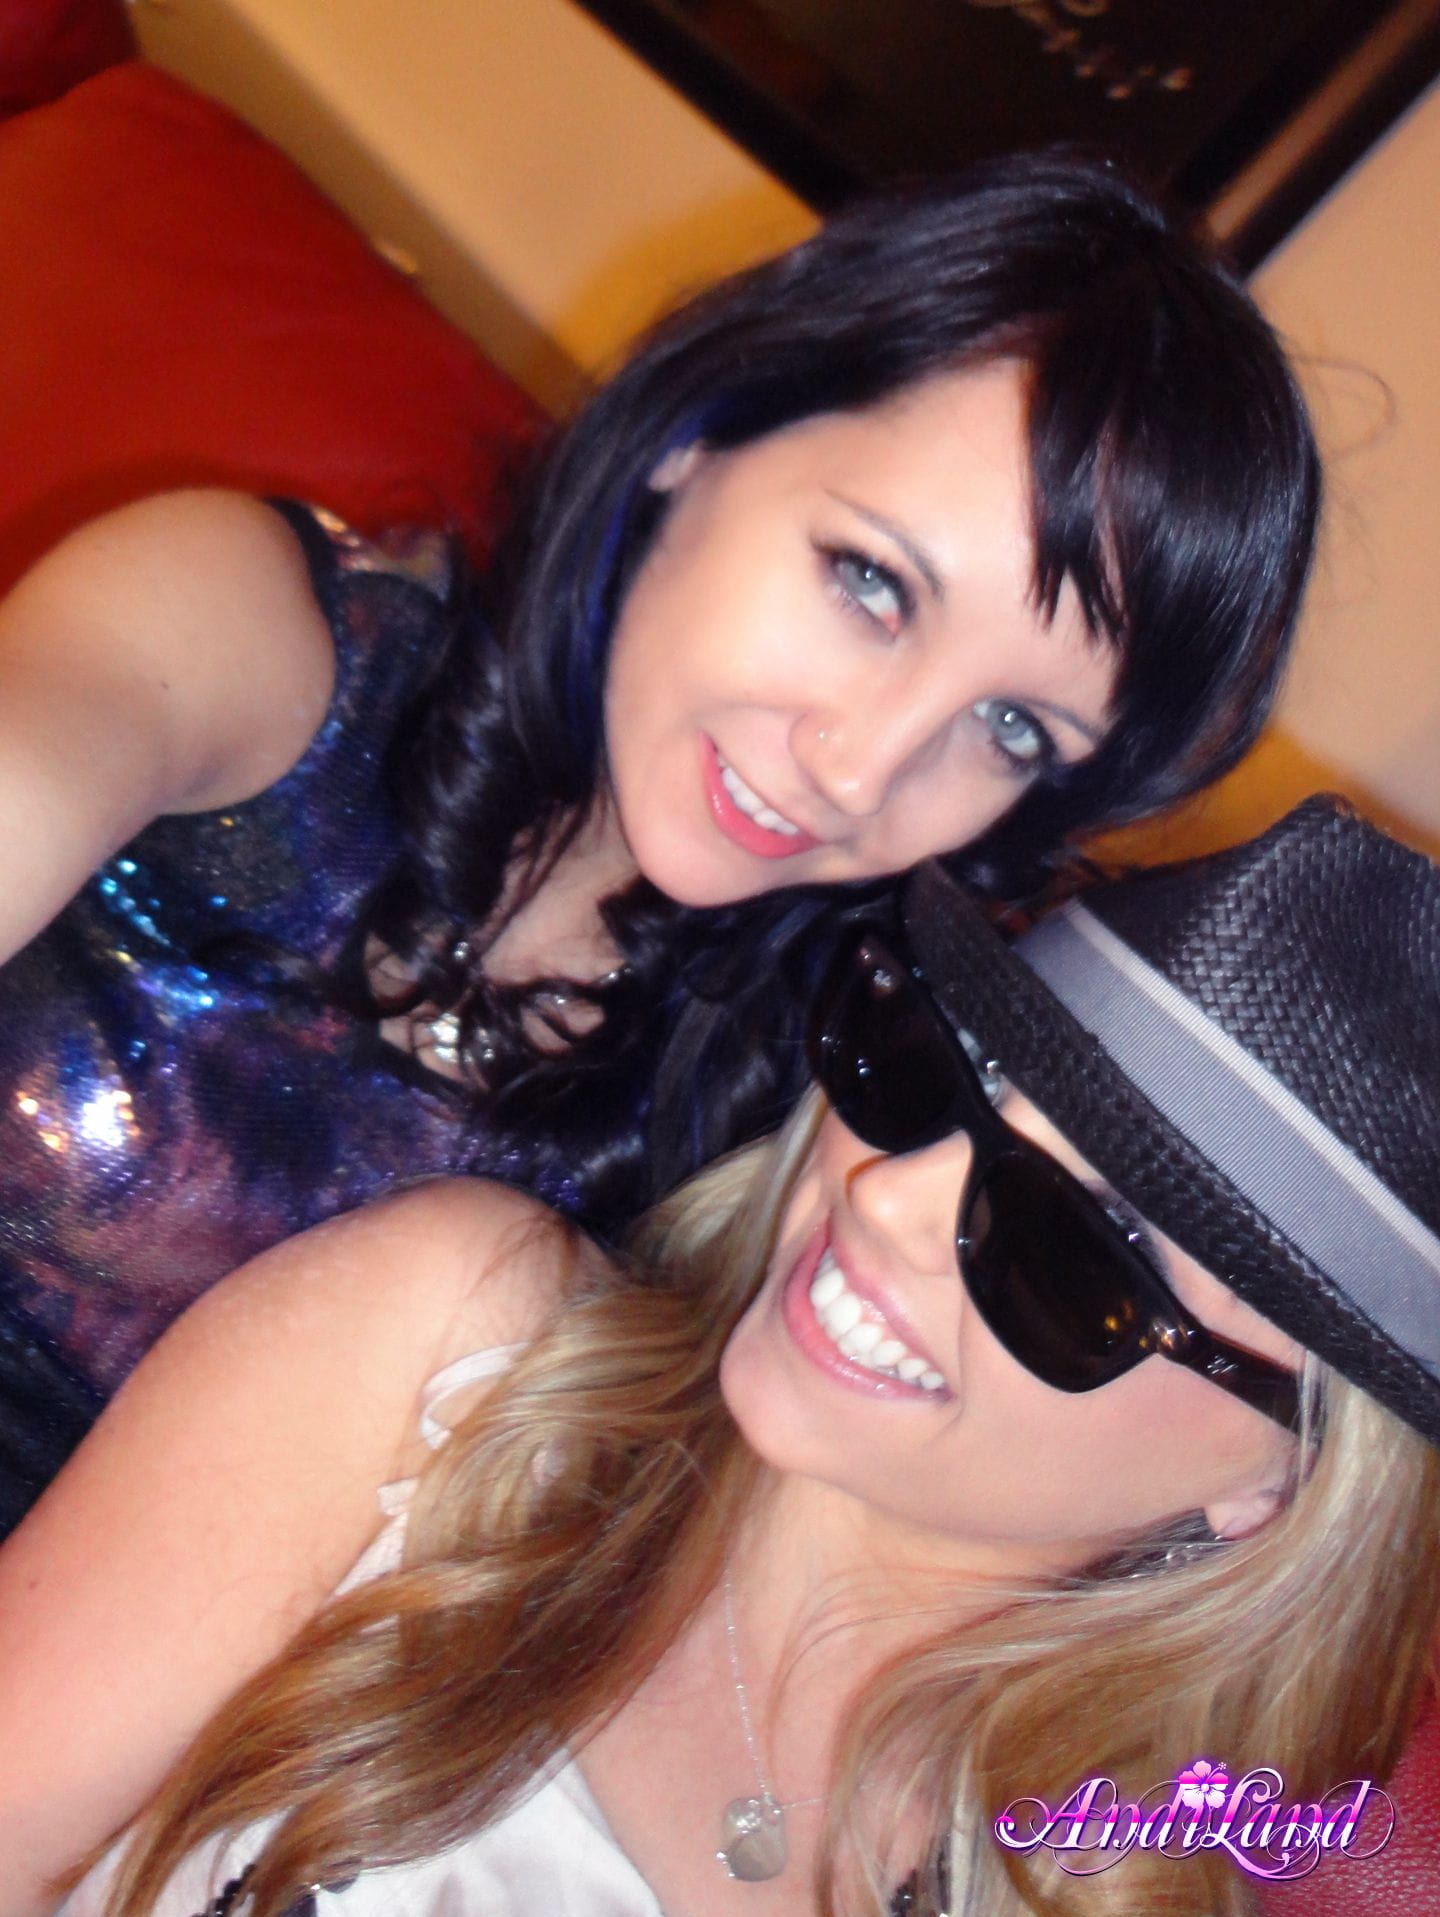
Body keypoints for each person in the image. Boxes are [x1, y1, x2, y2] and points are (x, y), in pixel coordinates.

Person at [0, 151, 1320, 1532]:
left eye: (1011, 729)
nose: (860, 767)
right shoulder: (242, 634)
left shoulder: (844, 1114)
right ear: (706, 433)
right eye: (871, 584)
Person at [6, 794, 1438, 1917]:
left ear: (1279, 1486)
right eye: (937, 1069)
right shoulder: (451, 1361)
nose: (888, 1198)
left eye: (1084, 1248)